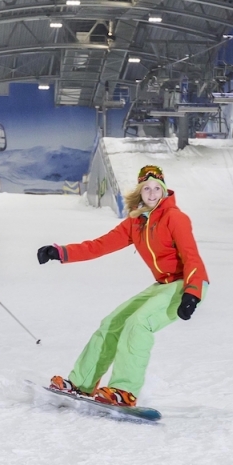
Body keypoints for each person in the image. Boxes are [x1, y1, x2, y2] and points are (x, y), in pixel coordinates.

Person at [36, 164, 208, 408]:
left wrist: (192, 294)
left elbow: (192, 257)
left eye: (156, 188)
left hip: (186, 283)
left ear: (163, 190)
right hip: (162, 284)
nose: (151, 193)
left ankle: (124, 391)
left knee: (139, 324)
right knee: (111, 324)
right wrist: (60, 252)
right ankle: (81, 383)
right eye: (145, 188)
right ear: (139, 192)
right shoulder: (135, 223)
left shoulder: (175, 218)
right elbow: (99, 245)